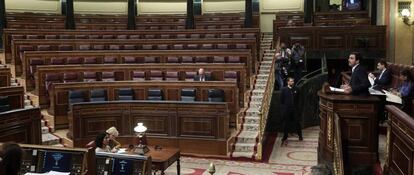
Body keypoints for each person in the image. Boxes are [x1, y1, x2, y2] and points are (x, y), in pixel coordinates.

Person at [280, 77, 303, 145]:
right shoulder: (284, 90)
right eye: (291, 81)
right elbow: (282, 101)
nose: (292, 82)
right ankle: (285, 136)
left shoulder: (297, 89)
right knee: (286, 123)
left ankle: (300, 136)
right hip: (287, 110)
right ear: (288, 82)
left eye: (293, 81)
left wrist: (298, 108)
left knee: (297, 123)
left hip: (295, 109)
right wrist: (283, 109)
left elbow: (299, 99)